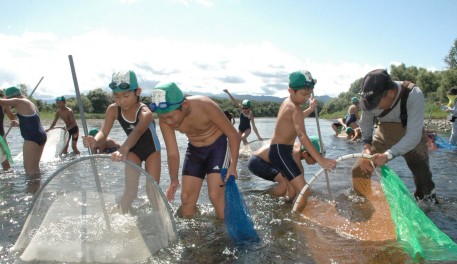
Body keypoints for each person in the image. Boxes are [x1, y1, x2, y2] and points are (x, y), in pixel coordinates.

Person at [153, 82, 240, 219]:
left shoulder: (205, 105)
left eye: (170, 117)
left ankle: (225, 232)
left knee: (215, 195)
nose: (168, 122)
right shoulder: (165, 119)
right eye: (162, 118)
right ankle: (193, 235)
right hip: (194, 150)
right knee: (186, 199)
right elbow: (172, 152)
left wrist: (233, 166)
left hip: (217, 147)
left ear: (184, 105)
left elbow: (233, 135)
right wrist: (174, 180)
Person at [352, 69, 438, 204]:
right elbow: (366, 123)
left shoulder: (413, 94)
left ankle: (428, 206)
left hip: (412, 138)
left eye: (375, 102)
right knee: (358, 170)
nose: (371, 105)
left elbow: (414, 135)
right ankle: (363, 205)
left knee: (423, 181)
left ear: (391, 93)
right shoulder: (368, 97)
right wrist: (366, 146)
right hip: (383, 134)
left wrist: (388, 155)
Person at [82, 70, 161, 210]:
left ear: (137, 92)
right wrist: (95, 141)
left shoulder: (145, 113)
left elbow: (137, 132)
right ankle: (120, 216)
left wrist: (122, 149)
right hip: (133, 150)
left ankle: (160, 219)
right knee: (130, 192)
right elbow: (103, 132)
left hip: (152, 151)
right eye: (116, 96)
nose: (121, 101)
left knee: (152, 191)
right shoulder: (113, 110)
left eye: (126, 95)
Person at [268, 70, 337, 210]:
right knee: (304, 191)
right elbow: (302, 136)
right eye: (303, 94)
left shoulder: (288, 104)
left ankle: (281, 210)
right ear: (290, 90)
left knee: (293, 191)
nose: (306, 98)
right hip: (281, 152)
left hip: (279, 151)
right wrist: (321, 160)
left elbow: (296, 119)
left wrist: (310, 109)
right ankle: (295, 224)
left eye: (309, 94)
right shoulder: (295, 109)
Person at [248, 136, 322, 199]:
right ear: (305, 154)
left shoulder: (300, 149)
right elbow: (299, 183)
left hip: (269, 160)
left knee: (291, 182)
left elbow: (301, 182)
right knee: (285, 183)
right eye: (316, 157)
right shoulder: (294, 152)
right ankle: (267, 197)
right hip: (257, 162)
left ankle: (277, 195)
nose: (318, 161)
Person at [0, 86, 46, 176]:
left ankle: (32, 189)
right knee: (35, 168)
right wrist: (18, 125)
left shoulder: (19, 101)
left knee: (29, 170)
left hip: (32, 138)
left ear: (12, 97)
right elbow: (34, 122)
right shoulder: (29, 103)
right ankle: (37, 188)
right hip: (40, 135)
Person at [0, 89, 19, 170]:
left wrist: (20, 109)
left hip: (1, 137)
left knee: (6, 165)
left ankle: (8, 182)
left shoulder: (3, 104)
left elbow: (11, 117)